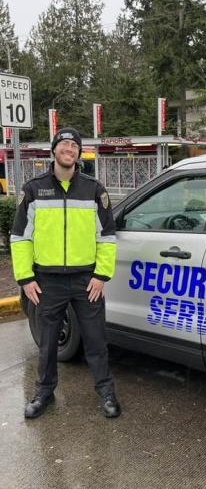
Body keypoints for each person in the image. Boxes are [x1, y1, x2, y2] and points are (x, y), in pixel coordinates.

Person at [11, 127, 121, 419]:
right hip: (46, 281)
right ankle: (44, 393)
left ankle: (107, 392)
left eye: (74, 145)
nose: (68, 149)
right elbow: (20, 237)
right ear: (54, 150)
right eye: (64, 144)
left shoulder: (94, 189)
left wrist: (101, 275)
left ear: (78, 153)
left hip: (87, 281)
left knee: (96, 341)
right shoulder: (34, 190)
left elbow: (107, 236)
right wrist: (25, 278)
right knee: (47, 344)